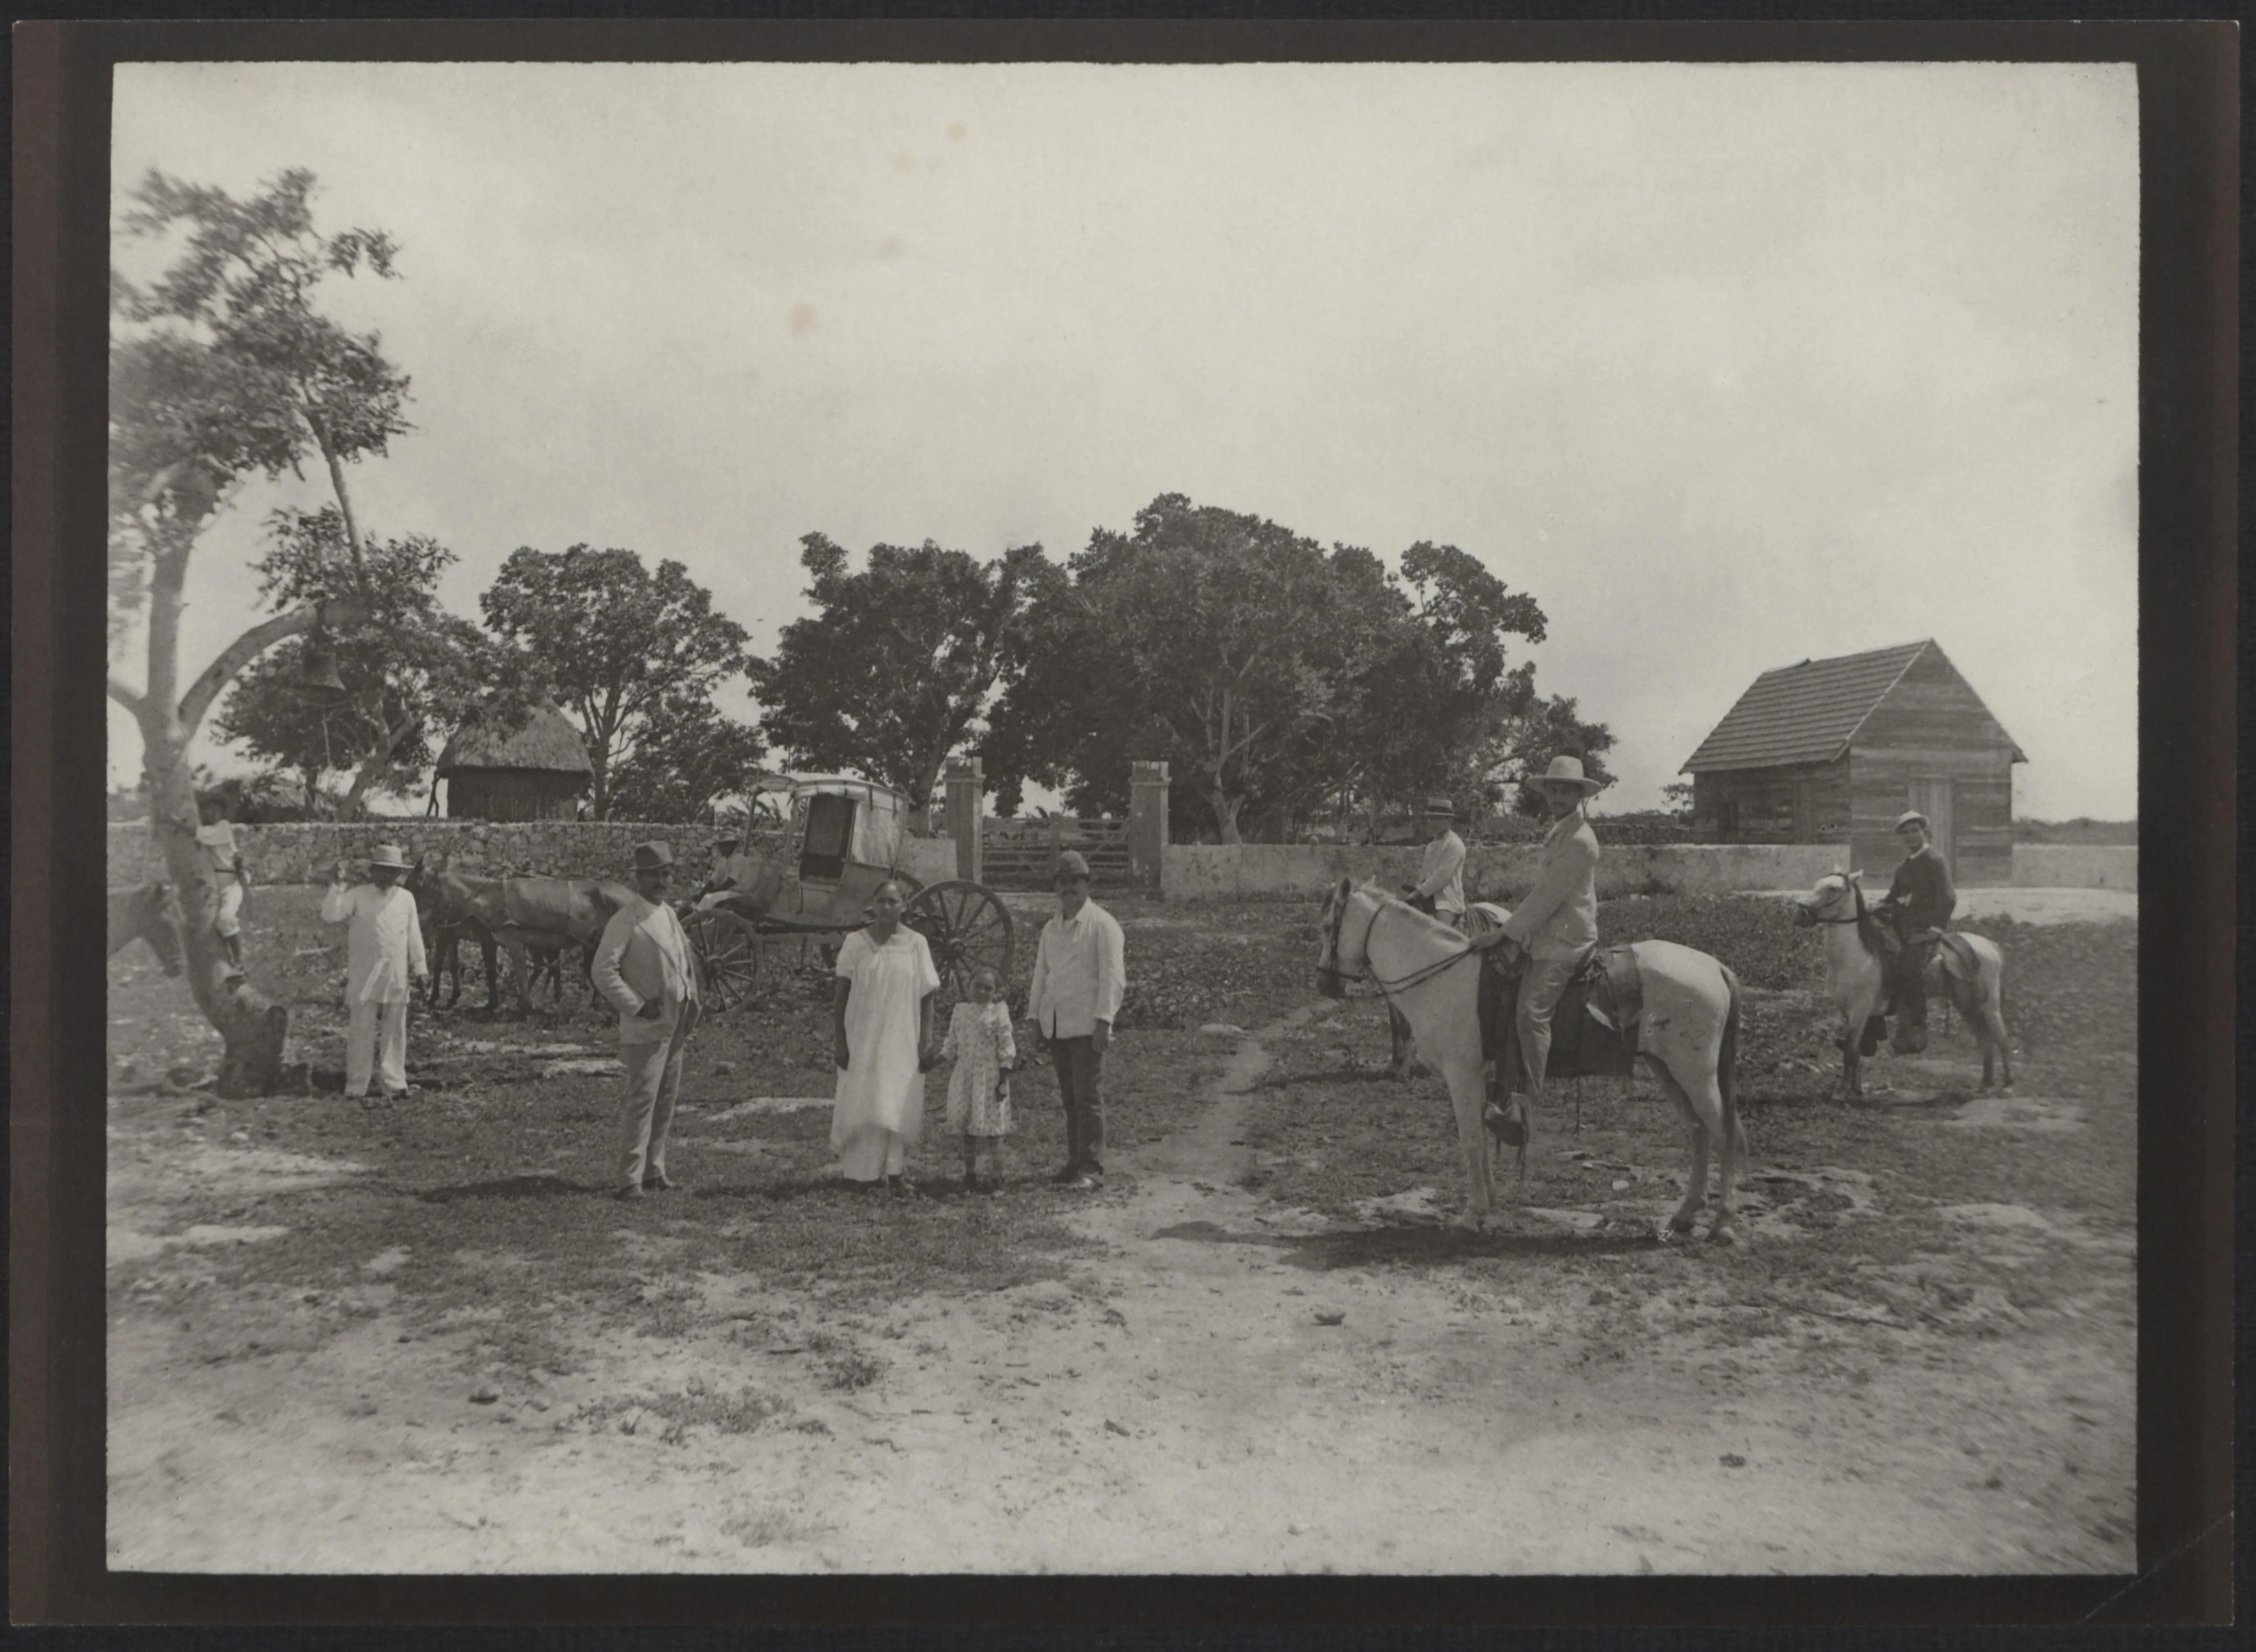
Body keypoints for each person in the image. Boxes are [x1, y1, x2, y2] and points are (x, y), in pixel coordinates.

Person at [1472, 755, 1604, 1145]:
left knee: (1532, 1012)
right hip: (1548, 933)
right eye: (1554, 789)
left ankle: (1528, 1105)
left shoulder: (1580, 840)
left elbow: (1547, 896)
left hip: (1566, 940)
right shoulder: (1561, 831)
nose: (1558, 796)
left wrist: (1507, 933)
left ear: (1581, 795)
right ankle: (1501, 1079)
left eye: (1567, 790)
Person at [592, 841, 703, 1200]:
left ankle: (655, 1170)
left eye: (666, 873)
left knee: (666, 1098)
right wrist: (638, 1006)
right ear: (638, 878)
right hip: (647, 1025)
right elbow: (603, 971)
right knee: (643, 1100)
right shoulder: (626, 919)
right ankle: (630, 1179)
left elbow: (681, 958)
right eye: (653, 875)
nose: (661, 880)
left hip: (676, 1022)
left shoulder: (668, 913)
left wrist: (690, 997)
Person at [831, 878, 942, 1196]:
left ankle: (895, 1172)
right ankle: (858, 1172)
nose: (887, 908)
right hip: (862, 1034)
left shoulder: (916, 944)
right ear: (872, 905)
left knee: (895, 1098)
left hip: (902, 1034)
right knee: (863, 1097)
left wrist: (926, 1040)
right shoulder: (855, 943)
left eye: (894, 902)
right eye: (881, 901)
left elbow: (927, 995)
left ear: (905, 906)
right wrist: (840, 1039)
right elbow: (841, 995)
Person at [1026, 849, 1126, 1190]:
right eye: (1063, 882)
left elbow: (1113, 977)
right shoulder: (1051, 929)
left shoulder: (1103, 925)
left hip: (1087, 1027)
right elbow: (1042, 976)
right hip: (1057, 1025)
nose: (1069, 888)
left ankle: (1092, 1168)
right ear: (1055, 886)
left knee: (1089, 1100)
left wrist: (1104, 1021)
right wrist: (1034, 1019)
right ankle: (1075, 1159)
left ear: (1087, 885)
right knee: (1070, 1099)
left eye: (1076, 882)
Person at [321, 843, 430, 1100]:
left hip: (396, 973)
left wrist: (421, 968)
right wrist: (337, 886)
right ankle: (357, 1085)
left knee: (395, 1029)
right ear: (373, 871)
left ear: (399, 874)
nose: (387, 877)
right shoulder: (357, 895)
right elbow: (330, 915)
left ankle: (394, 1082)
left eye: (393, 872)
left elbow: (414, 935)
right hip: (364, 973)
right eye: (382, 871)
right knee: (361, 1030)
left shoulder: (406, 898)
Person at [1877, 808, 1957, 1056]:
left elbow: (1947, 898)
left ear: (1925, 832)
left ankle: (1918, 1028)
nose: (1911, 836)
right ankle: (1876, 1027)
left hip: (1924, 932)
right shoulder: (1904, 868)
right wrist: (1874, 908)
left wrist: (1934, 930)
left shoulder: (1935, 860)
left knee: (1910, 969)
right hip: (1902, 932)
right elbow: (1892, 898)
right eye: (1906, 833)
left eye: (1915, 831)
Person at [940, 965, 1017, 1193]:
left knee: (994, 1130)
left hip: (990, 1077)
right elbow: (951, 1044)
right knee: (968, 1128)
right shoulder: (961, 1012)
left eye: (989, 989)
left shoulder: (998, 1014)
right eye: (978, 987)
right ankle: (970, 1175)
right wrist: (935, 1059)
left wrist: (1002, 1079)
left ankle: (998, 1176)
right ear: (969, 986)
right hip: (965, 1076)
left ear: (996, 992)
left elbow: (1007, 1047)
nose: (983, 993)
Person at [195, 793, 251, 971]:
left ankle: (240, 962)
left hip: (231, 883)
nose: (211, 813)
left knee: (225, 918)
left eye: (216, 810)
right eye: (207, 810)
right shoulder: (206, 829)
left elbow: (202, 836)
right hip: (213, 885)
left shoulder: (223, 827)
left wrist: (179, 823)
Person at [1404, 796, 1468, 929]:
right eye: (1432, 819)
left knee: (1441, 935)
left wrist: (1418, 893)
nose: (1434, 823)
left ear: (1449, 821)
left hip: (1446, 900)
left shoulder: (1455, 844)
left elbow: (1443, 876)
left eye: (1439, 819)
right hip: (1427, 896)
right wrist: (1417, 888)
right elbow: (1426, 874)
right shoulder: (1432, 845)